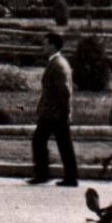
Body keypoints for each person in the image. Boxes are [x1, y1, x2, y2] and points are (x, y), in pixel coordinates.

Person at [30, 30, 78, 186]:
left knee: (40, 141)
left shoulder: (57, 64)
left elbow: (64, 91)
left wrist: (65, 112)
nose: (43, 46)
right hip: (55, 112)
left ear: (52, 45)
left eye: (45, 43)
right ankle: (69, 177)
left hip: (54, 113)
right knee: (63, 144)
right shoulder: (57, 62)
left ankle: (44, 174)